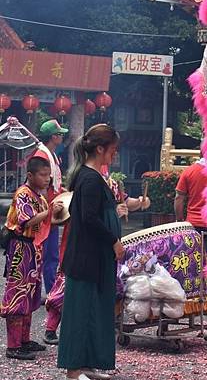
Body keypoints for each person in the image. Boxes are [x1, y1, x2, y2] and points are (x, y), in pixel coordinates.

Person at [43, 169, 149, 348]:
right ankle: (51, 328)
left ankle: (103, 326)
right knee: (65, 285)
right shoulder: (83, 180)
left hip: (103, 243)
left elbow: (125, 201)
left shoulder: (111, 184)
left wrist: (140, 202)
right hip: (78, 243)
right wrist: (115, 211)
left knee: (107, 285)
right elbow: (85, 215)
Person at [57, 124, 124, 380]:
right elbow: (89, 218)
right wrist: (113, 241)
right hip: (87, 258)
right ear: (99, 148)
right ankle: (74, 371)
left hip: (93, 258)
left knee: (93, 312)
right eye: (112, 149)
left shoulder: (91, 176)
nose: (114, 154)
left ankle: (87, 365)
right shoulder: (90, 179)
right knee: (80, 315)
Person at [1, 156, 63, 360]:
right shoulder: (23, 194)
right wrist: (48, 212)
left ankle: (24, 340)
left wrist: (59, 213)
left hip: (34, 250)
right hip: (20, 248)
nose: (47, 179)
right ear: (30, 175)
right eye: (43, 175)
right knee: (18, 293)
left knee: (31, 294)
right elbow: (27, 221)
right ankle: (13, 346)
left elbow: (47, 221)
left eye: (48, 175)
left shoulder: (40, 196)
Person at [33, 119, 68, 294]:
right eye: (60, 134)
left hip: (51, 207)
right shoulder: (42, 155)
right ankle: (51, 291)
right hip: (46, 209)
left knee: (51, 253)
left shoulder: (52, 155)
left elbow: (53, 184)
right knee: (47, 254)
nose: (62, 137)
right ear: (54, 137)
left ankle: (51, 289)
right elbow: (41, 185)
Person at [174, 157, 207, 255]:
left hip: (193, 225)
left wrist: (179, 221)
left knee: (194, 262)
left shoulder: (189, 171)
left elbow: (178, 198)